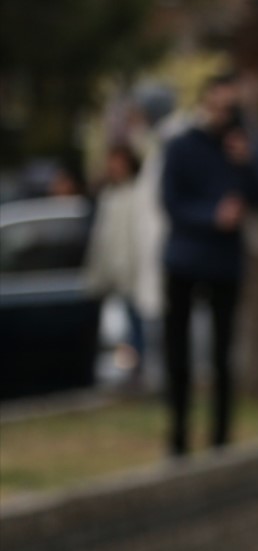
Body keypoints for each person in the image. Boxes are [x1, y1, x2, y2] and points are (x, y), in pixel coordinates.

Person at [158, 70, 258, 455]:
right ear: (206, 103)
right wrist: (212, 215)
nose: (225, 113)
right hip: (185, 259)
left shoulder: (244, 147)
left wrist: (248, 161)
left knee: (224, 354)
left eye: (232, 106)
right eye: (219, 104)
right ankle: (178, 437)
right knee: (179, 354)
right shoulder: (181, 146)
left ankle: (220, 439)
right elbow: (171, 202)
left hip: (225, 262)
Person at [85, 144, 147, 385]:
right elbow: (102, 238)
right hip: (109, 272)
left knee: (136, 323)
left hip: (132, 273)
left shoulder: (139, 194)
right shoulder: (108, 195)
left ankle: (137, 371)